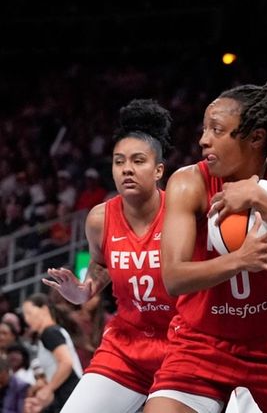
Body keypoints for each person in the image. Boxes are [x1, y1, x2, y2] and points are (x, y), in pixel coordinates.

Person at [144, 81, 267, 413]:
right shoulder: (188, 181)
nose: (203, 139)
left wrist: (262, 198)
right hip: (203, 341)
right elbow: (174, 277)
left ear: (255, 137)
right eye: (205, 128)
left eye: (217, 130)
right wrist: (240, 260)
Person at [41, 99, 177, 412]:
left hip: (182, 345)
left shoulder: (181, 213)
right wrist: (84, 290)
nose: (127, 168)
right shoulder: (99, 218)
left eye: (138, 161)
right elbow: (100, 264)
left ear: (159, 170)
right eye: (119, 161)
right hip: (125, 346)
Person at [21, 294, 83, 413]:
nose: (27, 319)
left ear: (44, 309)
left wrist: (48, 389)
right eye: (24, 315)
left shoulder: (49, 332)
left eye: (29, 313)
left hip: (70, 392)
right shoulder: (49, 333)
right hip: (65, 395)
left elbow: (66, 362)